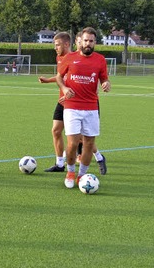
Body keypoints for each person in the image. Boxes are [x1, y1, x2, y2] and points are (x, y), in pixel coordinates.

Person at [39, 32, 107, 174]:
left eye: (57, 45)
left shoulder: (75, 57)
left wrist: (98, 86)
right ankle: (60, 164)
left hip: (83, 103)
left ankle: (98, 157)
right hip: (65, 101)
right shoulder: (61, 58)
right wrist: (57, 85)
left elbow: (90, 79)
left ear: (67, 44)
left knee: (83, 137)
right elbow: (62, 77)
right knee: (56, 130)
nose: (55, 48)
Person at [56, 27, 110, 189]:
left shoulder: (100, 60)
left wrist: (106, 84)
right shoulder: (70, 57)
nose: (88, 44)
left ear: (95, 43)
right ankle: (70, 171)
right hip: (72, 106)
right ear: (81, 41)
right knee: (72, 144)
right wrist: (65, 89)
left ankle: (81, 175)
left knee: (88, 143)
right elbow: (59, 77)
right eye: (85, 40)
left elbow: (104, 79)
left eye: (91, 41)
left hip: (91, 108)